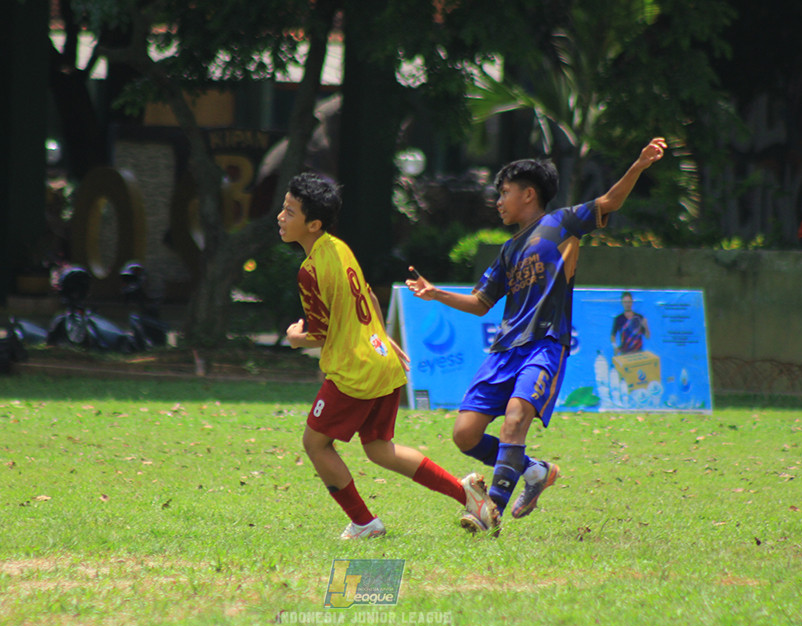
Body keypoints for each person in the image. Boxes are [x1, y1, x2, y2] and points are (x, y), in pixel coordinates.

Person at [407, 138, 667, 532]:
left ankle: (489, 509)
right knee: (464, 434)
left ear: (529, 194)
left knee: (515, 418)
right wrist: (435, 292)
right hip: (504, 350)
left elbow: (610, 202)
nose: (498, 201)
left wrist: (639, 165)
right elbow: (480, 302)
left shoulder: (562, 222)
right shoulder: (508, 250)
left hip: (544, 345)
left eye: (505, 192)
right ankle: (534, 471)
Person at [280, 172, 499, 539]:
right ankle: (467, 494)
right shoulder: (339, 246)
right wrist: (381, 336)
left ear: (313, 224)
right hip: (382, 360)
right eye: (283, 209)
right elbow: (366, 293)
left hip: (355, 371)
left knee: (315, 443)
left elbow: (319, 333)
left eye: (289, 211)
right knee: (380, 449)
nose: (280, 217)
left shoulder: (310, 270)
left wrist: (293, 338)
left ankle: (365, 523)